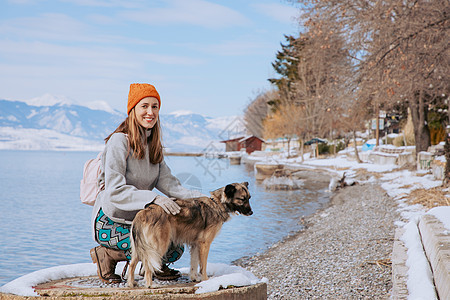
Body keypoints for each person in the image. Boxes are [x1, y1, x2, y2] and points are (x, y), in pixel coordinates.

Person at [90, 83, 205, 284]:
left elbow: (170, 184)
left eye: (155, 107)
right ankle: (106, 254)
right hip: (111, 220)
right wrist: (154, 198)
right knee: (149, 244)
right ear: (133, 109)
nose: (150, 112)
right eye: (144, 106)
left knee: (174, 248)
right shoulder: (119, 142)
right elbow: (115, 191)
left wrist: (202, 197)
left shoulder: (153, 144)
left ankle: (151, 266)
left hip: (141, 218)